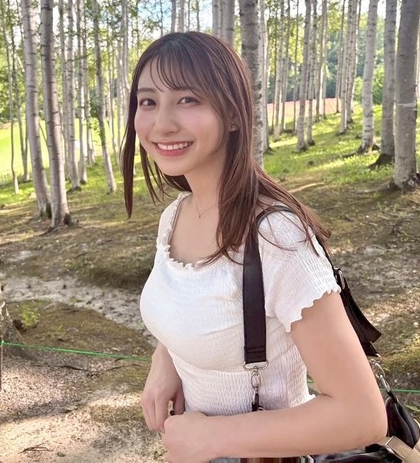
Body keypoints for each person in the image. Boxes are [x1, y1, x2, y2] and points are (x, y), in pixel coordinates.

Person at [122, 32, 387, 463]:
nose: (162, 123)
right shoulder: (176, 216)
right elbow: (202, 309)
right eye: (148, 101)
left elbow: (361, 415)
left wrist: (209, 439)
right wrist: (165, 359)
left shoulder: (276, 237)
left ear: (232, 114)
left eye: (188, 99)